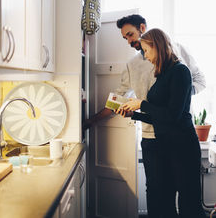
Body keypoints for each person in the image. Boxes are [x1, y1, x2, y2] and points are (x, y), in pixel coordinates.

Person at [84, 14, 206, 218]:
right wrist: (91, 121)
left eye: (131, 35)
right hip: (152, 138)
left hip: (179, 137)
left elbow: (199, 81)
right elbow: (119, 98)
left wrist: (181, 96)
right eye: (125, 38)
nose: (130, 41)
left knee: (187, 199)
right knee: (159, 198)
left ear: (143, 28)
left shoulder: (177, 55)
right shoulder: (133, 65)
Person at [117, 28, 207, 218]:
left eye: (147, 51)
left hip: (183, 147)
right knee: (164, 201)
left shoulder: (180, 71)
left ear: (157, 47)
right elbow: (159, 117)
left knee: (188, 204)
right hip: (167, 145)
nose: (145, 56)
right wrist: (134, 115)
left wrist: (142, 104)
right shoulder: (162, 74)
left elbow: (172, 116)